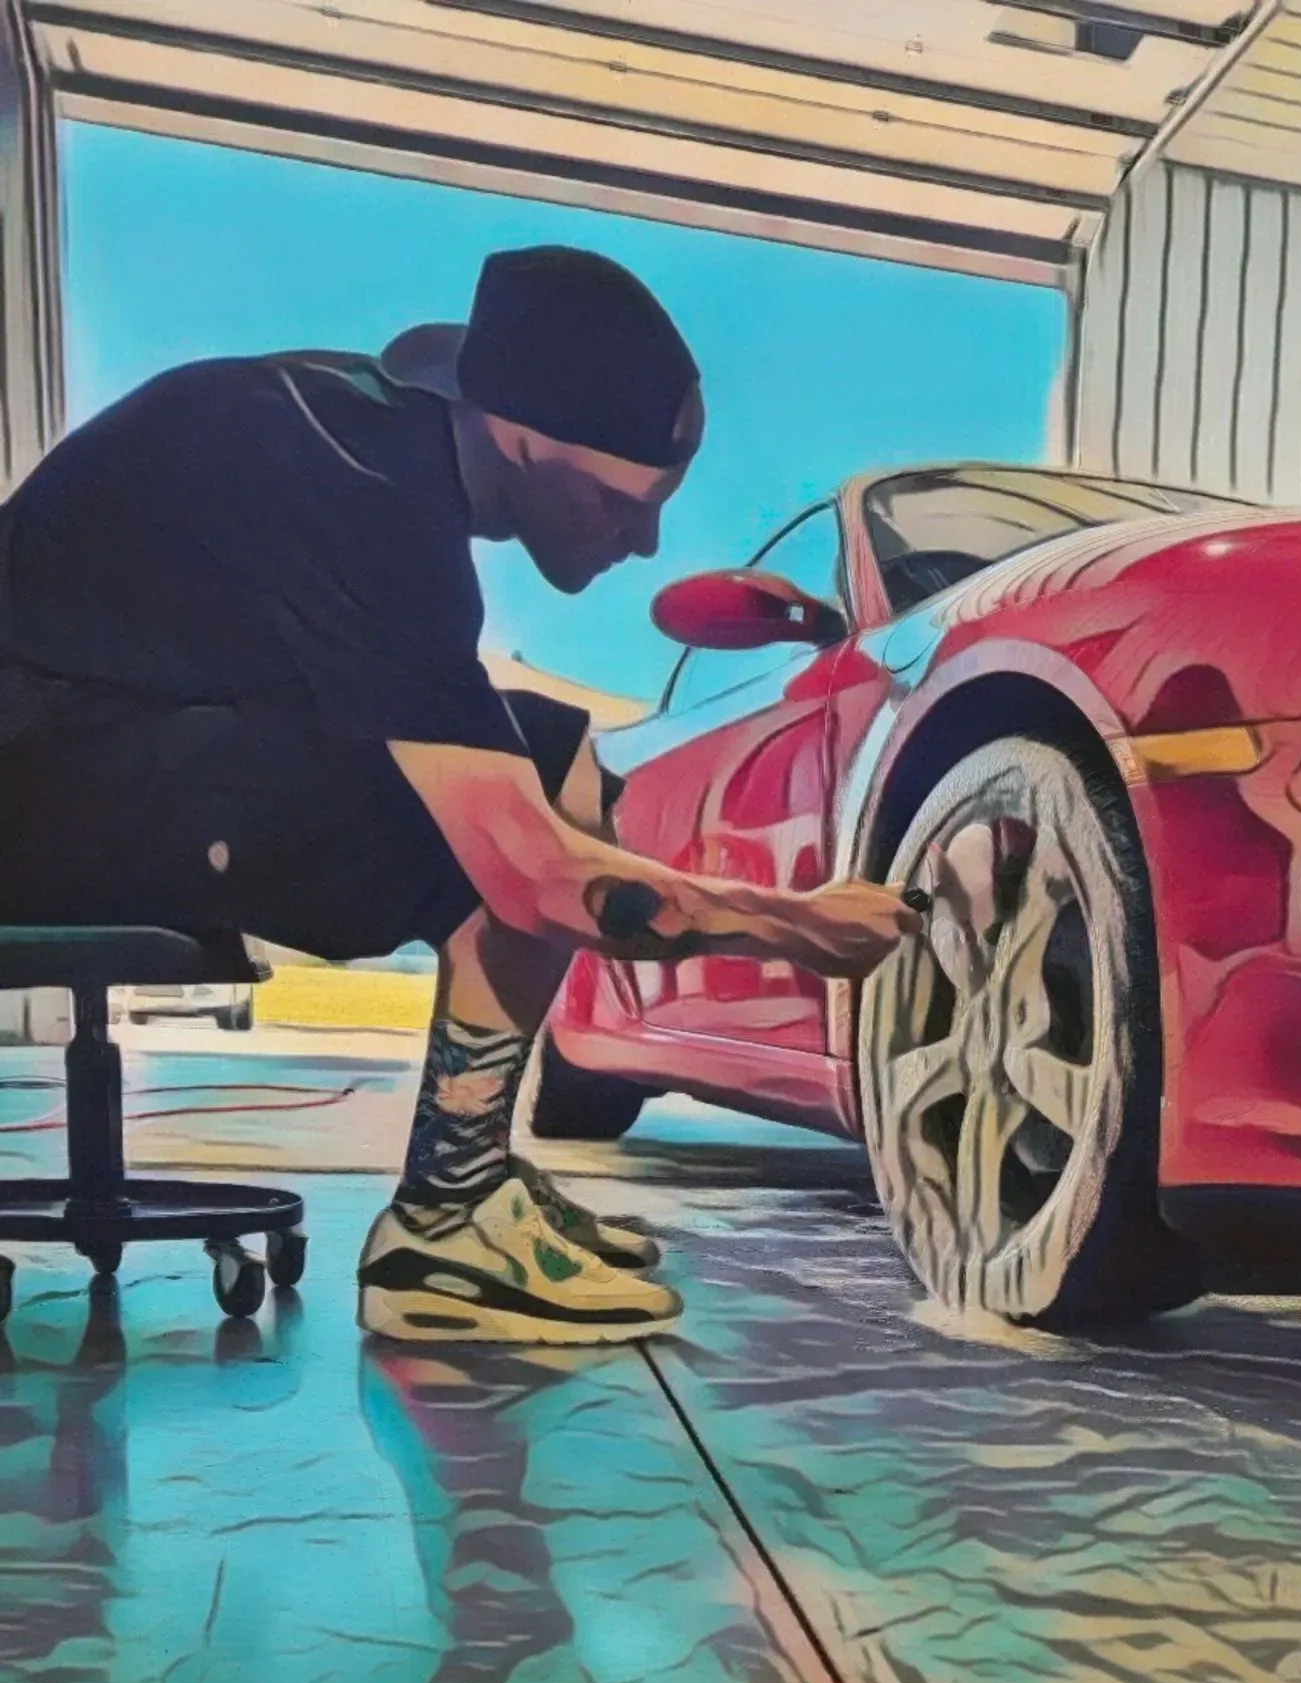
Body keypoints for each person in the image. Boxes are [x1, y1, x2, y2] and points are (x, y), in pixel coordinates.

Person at [0, 245, 917, 1344]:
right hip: (42, 791)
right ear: (522, 441)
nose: (646, 539)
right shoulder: (361, 486)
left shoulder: (374, 451)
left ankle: (465, 1181)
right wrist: (799, 926)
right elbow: (538, 886)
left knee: (551, 751)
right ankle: (440, 1237)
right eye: (627, 499)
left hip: (111, 748)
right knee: (508, 859)